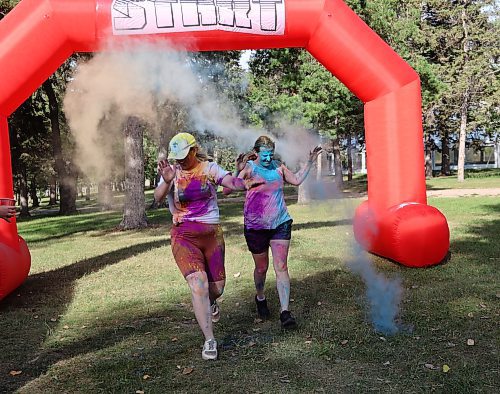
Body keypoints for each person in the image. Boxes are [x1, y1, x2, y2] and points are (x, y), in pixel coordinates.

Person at [154, 132, 262, 361]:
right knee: (198, 284)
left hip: (211, 234)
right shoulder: (172, 172)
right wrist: (166, 180)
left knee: (217, 288)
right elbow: (157, 197)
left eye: (184, 155)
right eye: (177, 156)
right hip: (183, 235)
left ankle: (211, 301)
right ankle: (209, 340)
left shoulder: (209, 168)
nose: (181, 160)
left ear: (194, 150)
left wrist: (244, 183)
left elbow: (229, 182)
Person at [234, 135, 322, 328]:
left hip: (280, 223)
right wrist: (238, 171)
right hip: (256, 227)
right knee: (261, 268)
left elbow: (297, 180)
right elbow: (227, 190)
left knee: (281, 267)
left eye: (270, 154)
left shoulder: (278, 167)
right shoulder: (249, 168)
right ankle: (260, 297)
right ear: (256, 153)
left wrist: (309, 162)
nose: (268, 159)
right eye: (264, 155)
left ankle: (285, 312)